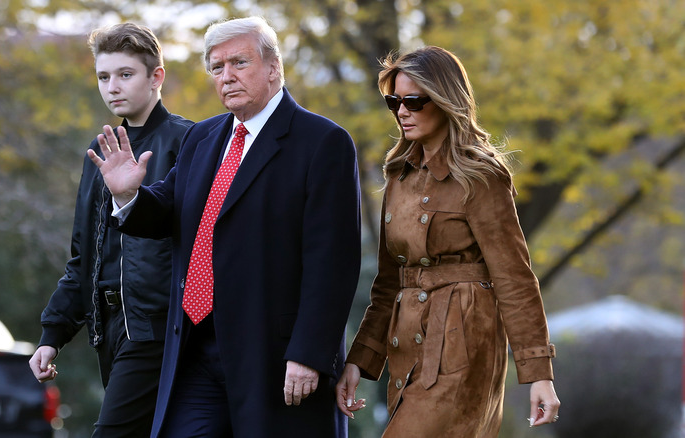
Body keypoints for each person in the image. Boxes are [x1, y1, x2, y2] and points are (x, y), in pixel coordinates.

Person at [87, 16, 361, 438]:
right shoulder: (203, 137)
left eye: (239, 62)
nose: (227, 76)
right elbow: (165, 211)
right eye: (217, 67)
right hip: (196, 349)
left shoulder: (322, 142)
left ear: (273, 67)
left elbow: (333, 262)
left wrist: (309, 353)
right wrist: (128, 196)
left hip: (274, 354)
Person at [335, 46, 561, 437]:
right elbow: (389, 283)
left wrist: (539, 373)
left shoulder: (481, 175)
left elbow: (514, 277)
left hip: (463, 343)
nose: (401, 111)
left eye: (414, 101)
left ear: (444, 100)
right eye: (394, 102)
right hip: (407, 346)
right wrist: (358, 360)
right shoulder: (398, 177)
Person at [28, 22, 193, 437]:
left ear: (156, 77)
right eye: (104, 76)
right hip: (110, 329)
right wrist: (53, 334)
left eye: (125, 74)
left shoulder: (189, 141)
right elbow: (84, 256)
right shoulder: (97, 153)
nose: (112, 86)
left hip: (159, 328)